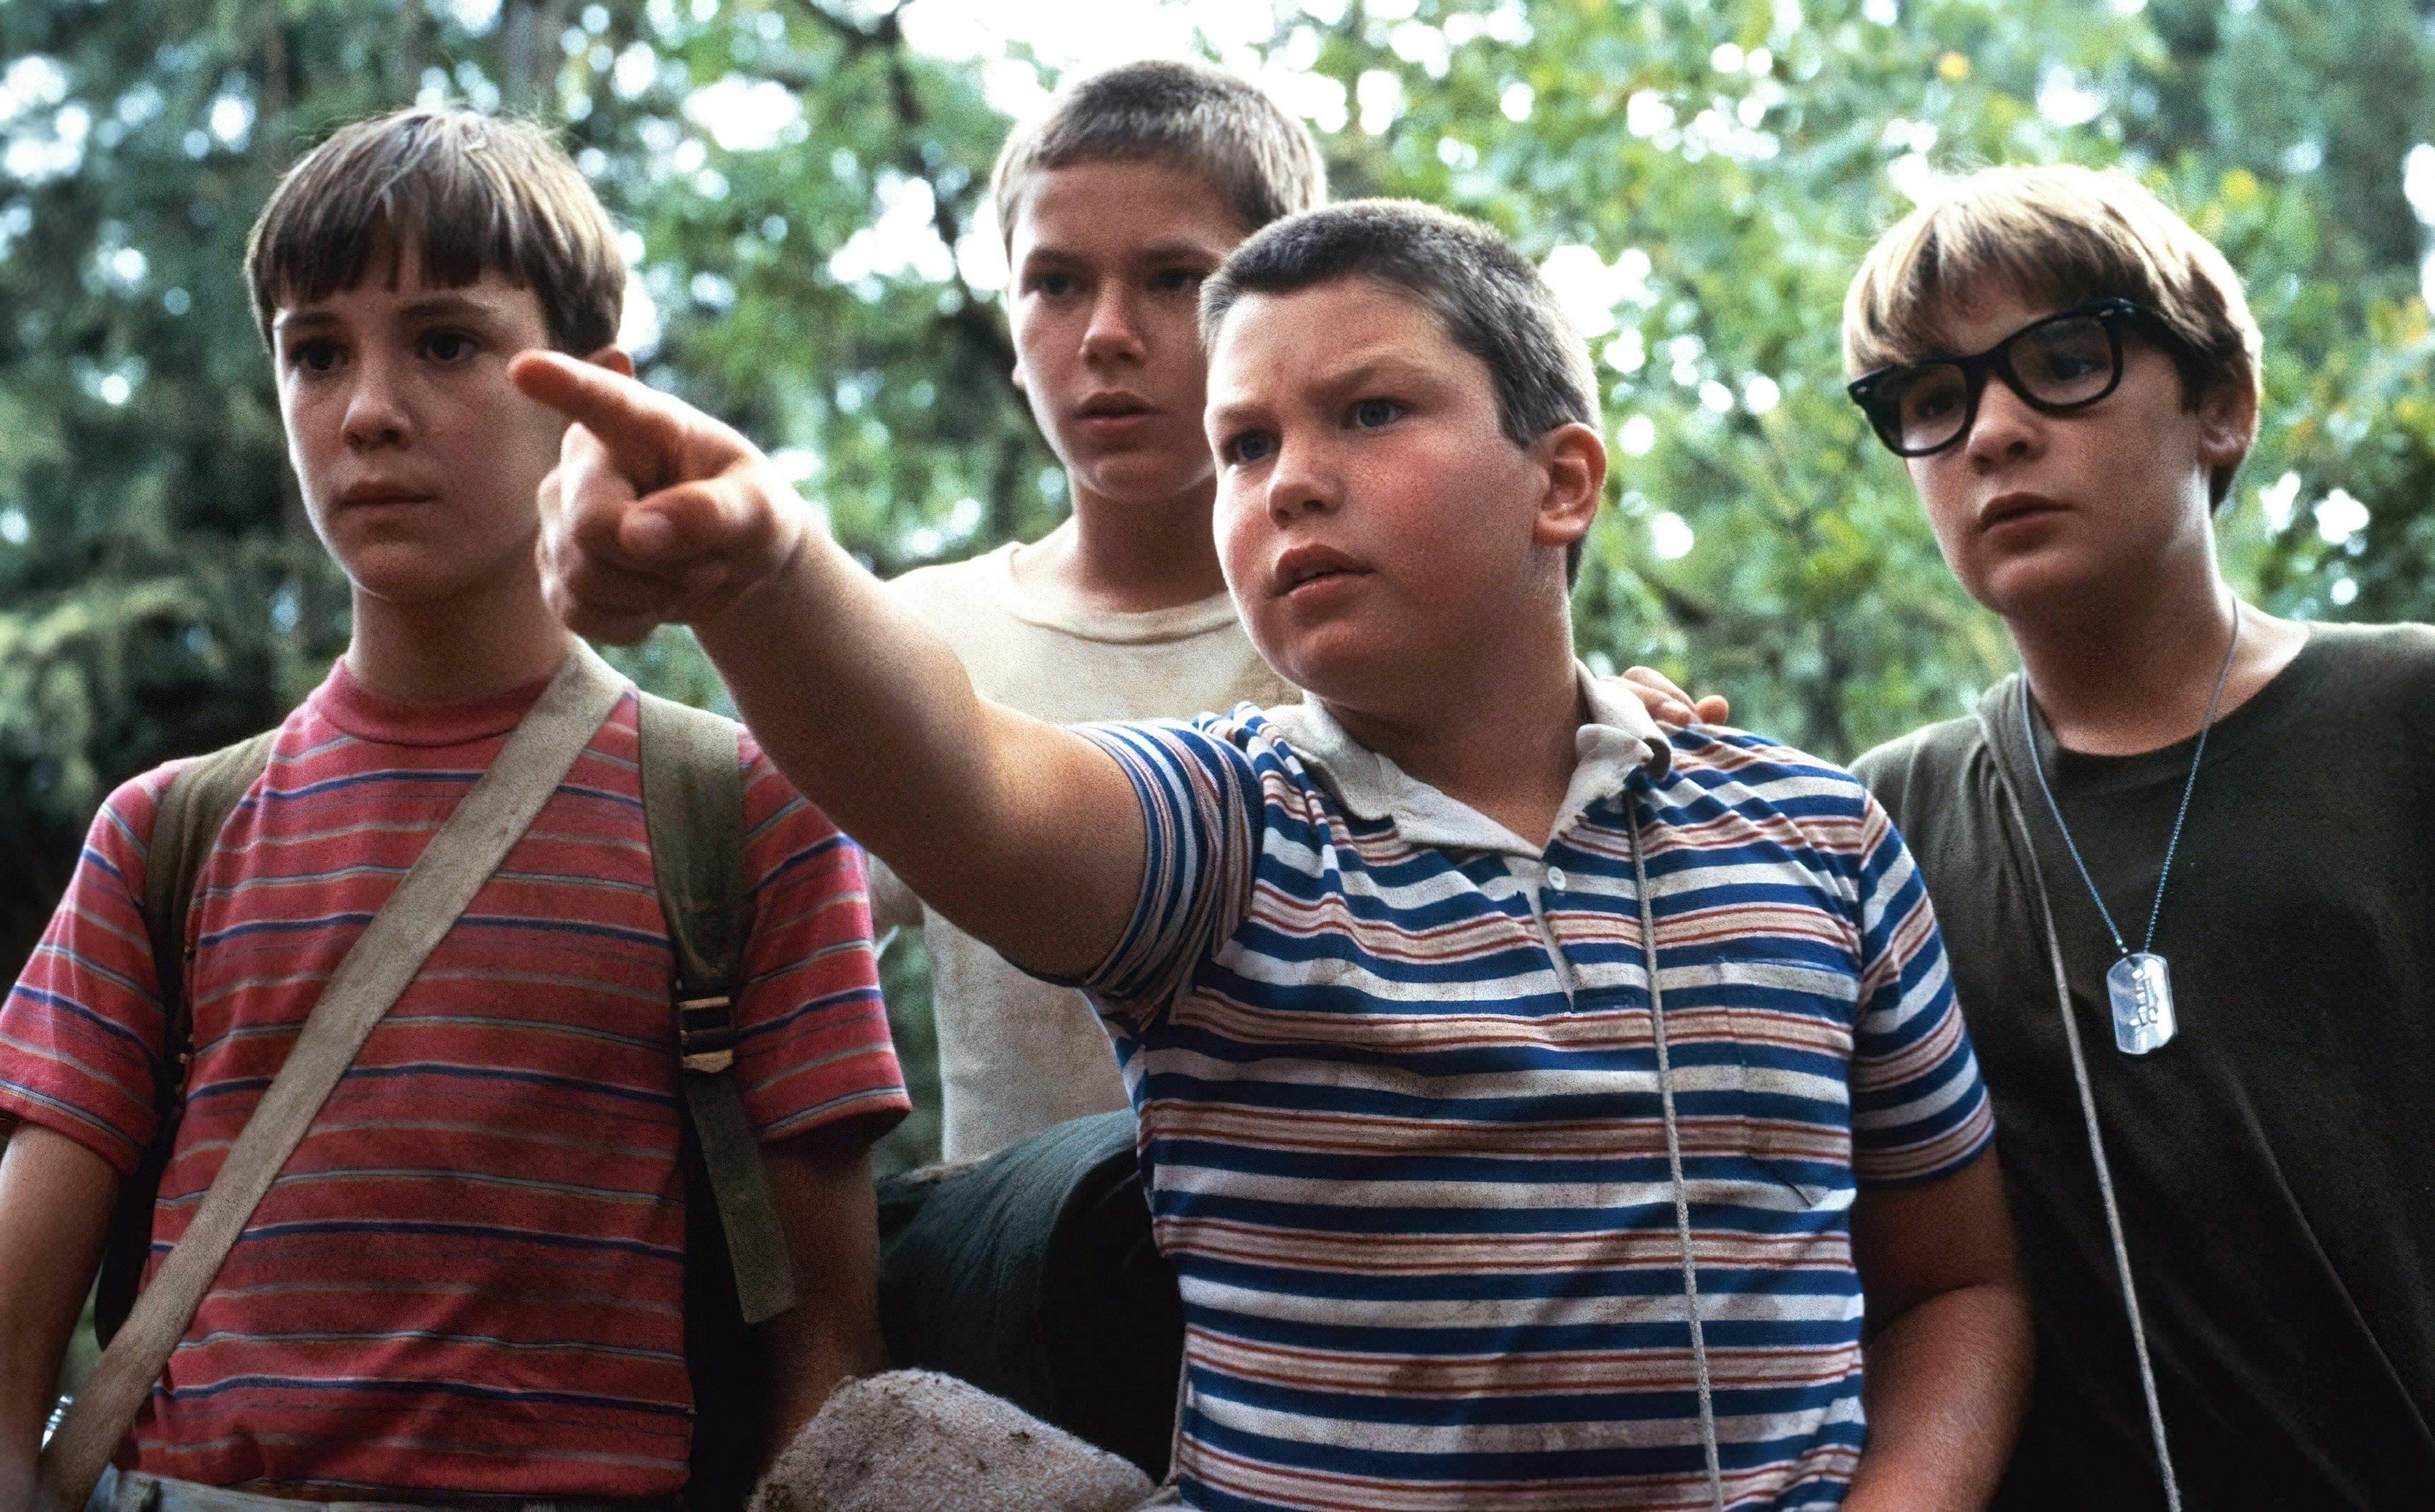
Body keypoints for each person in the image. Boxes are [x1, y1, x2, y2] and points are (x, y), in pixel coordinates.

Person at [519, 197, 2031, 1511]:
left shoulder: (1817, 837)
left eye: (1369, 413)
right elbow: (968, 784)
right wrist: (761, 567)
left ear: (1561, 482)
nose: (1288, 479)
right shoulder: (1226, 833)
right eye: (1243, 446)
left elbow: (1955, 1283)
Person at [0, 108, 908, 1512]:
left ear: (596, 396)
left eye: (444, 343)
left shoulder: (741, 816)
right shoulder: (165, 834)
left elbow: (826, 1366)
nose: (367, 409)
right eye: (317, 352)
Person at [1841, 163, 2435, 1512]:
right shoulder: (1873, 829)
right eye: (1932, 402)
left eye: (2062, 362)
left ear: (2220, 408)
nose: (1992, 429)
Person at [873, 59, 1316, 1163]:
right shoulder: (918, 639)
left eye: (1173, 279)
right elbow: (770, 981)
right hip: (1016, 1316)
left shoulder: (1373, 628)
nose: (1106, 333)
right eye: (1056, 283)